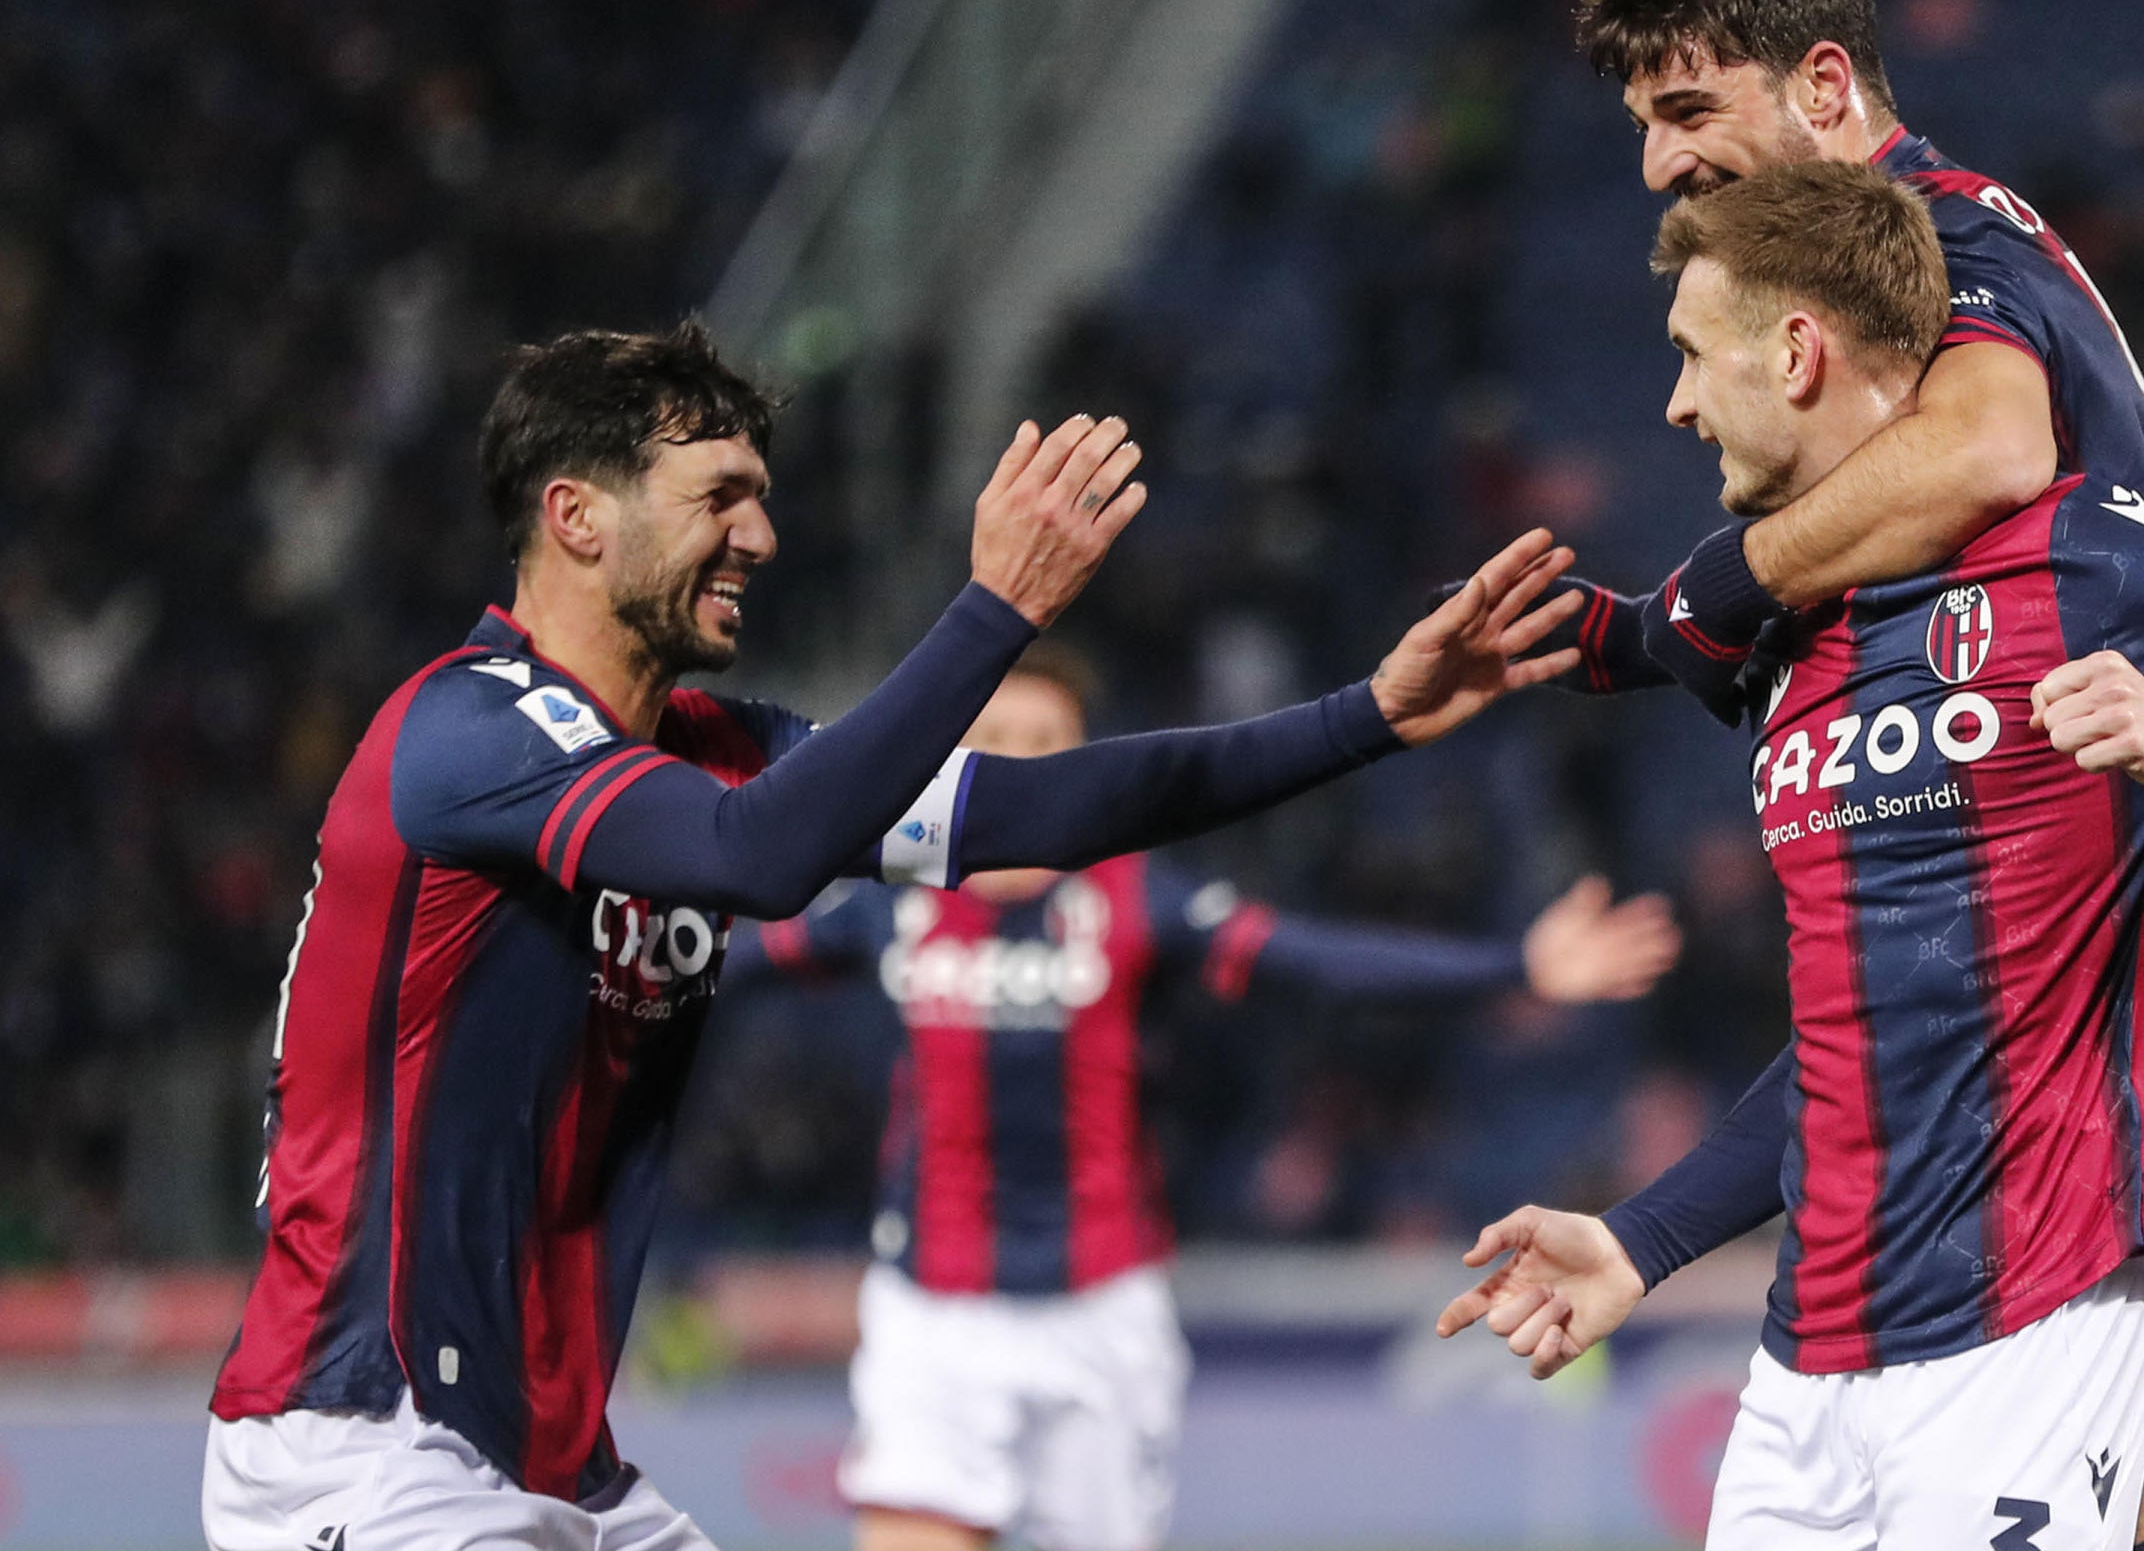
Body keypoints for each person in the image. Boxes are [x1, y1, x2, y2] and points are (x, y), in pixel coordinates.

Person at [201, 321, 1590, 1551]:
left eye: (760, 498)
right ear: (577, 516)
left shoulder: (713, 752)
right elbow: (760, 865)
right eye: (720, 499)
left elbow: (1046, 809)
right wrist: (995, 613)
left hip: (558, 1469)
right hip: (369, 1445)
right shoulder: (466, 732)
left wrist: (1368, 717)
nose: (760, 536)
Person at [1540, 0, 2144, 1545]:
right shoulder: (1924, 249)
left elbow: (1995, 452)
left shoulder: (1957, 235)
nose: (1659, 163)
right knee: (2129, 1475)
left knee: (2079, 1417)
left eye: (1686, 111)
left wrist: (1695, 610)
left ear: (1824, 85)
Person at [713, 643, 1683, 1551]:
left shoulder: (1136, 898)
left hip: (1100, 1314)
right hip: (930, 1311)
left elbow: (1315, 960)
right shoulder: (890, 902)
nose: (1011, 774)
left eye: (1039, 748)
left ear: (1077, 769)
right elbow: (722, 966)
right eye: (988, 747)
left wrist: (1512, 964)